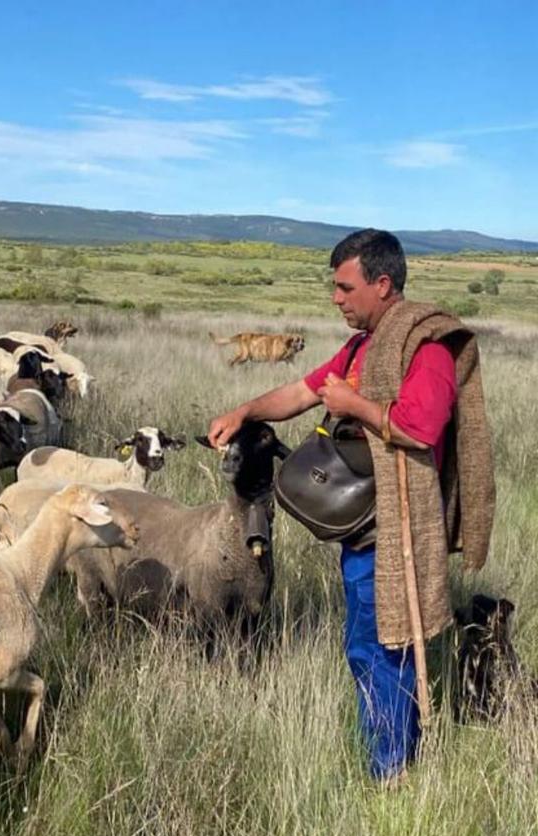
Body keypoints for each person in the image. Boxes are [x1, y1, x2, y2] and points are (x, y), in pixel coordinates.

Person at [206, 229, 494, 783]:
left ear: (382, 284)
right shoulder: (363, 344)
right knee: (373, 643)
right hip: (363, 525)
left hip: (396, 527)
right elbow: (303, 391)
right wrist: (245, 411)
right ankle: (394, 759)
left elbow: (419, 425)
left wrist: (353, 403)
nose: (335, 298)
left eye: (344, 288)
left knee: (379, 647)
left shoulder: (423, 348)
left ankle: (391, 771)